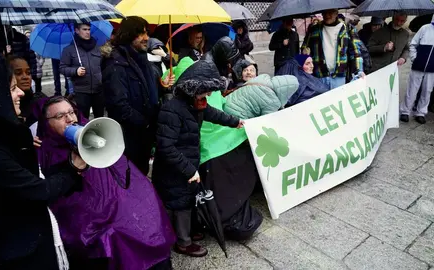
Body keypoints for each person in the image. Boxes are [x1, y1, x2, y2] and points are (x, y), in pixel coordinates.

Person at [0, 55, 86, 270]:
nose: (21, 93)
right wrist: (74, 167)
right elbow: (38, 190)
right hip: (3, 252)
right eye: (13, 87)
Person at [32, 96, 175, 270]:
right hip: (96, 223)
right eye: (60, 116)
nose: (70, 119)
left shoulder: (94, 133)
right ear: (47, 123)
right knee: (115, 238)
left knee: (148, 222)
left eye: (71, 112)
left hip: (121, 209)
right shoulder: (47, 152)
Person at [152, 60, 243, 257]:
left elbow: (215, 114)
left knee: (186, 199)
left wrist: (236, 122)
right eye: (207, 91)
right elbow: (166, 147)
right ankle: (183, 242)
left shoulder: (197, 103)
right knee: (180, 202)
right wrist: (188, 169)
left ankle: (186, 232)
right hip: (173, 168)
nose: (209, 96)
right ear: (194, 88)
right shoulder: (172, 109)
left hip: (186, 162)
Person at [103, 16, 160, 175]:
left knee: (141, 171)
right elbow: (119, 106)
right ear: (129, 35)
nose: (146, 38)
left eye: (146, 33)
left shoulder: (141, 57)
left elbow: (148, 90)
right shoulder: (116, 63)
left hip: (145, 133)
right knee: (132, 175)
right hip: (129, 136)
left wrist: (161, 85)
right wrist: (145, 123)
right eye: (141, 34)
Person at [302, 9, 364, 90]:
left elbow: (356, 52)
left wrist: (359, 70)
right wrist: (304, 51)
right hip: (319, 77)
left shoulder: (347, 29)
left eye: (330, 12)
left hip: (339, 77)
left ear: (336, 13)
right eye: (325, 13)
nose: (327, 15)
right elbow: (304, 49)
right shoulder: (314, 29)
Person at [60, 23, 104, 118]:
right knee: (83, 119)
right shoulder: (69, 50)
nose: (88, 32)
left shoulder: (96, 48)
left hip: (98, 90)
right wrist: (75, 71)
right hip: (81, 91)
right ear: (76, 30)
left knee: (100, 118)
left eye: (89, 29)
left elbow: (102, 66)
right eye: (84, 29)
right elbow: (62, 68)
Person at [400, 17, 434, 124]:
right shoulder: (425, 28)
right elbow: (413, 44)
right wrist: (415, 58)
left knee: (427, 90)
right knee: (412, 89)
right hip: (418, 65)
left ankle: (420, 112)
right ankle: (405, 111)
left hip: (432, 69)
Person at [223, 74, 299, 119]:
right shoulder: (273, 102)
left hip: (225, 104)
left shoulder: (263, 78)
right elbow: (265, 121)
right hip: (236, 116)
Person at [7, 56, 47, 126]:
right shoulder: (6, 109)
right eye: (18, 73)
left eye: (28, 73)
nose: (25, 77)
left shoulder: (40, 101)